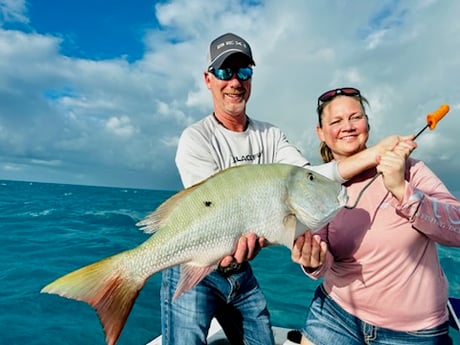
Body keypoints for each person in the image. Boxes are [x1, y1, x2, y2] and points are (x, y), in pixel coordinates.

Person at [162, 33, 407, 345]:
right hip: (194, 266)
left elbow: (308, 177)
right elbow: (208, 214)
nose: (235, 81)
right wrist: (371, 155)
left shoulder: (271, 135)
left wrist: (374, 156)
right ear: (208, 79)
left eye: (244, 72)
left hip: (241, 270)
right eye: (225, 72)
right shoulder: (196, 139)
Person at [291, 87, 460, 345]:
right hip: (335, 316)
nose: (347, 126)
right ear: (321, 133)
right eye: (336, 121)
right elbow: (323, 260)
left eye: (355, 117)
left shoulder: (410, 171)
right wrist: (313, 260)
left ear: (367, 124)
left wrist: (403, 192)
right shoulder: (317, 184)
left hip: (414, 333)